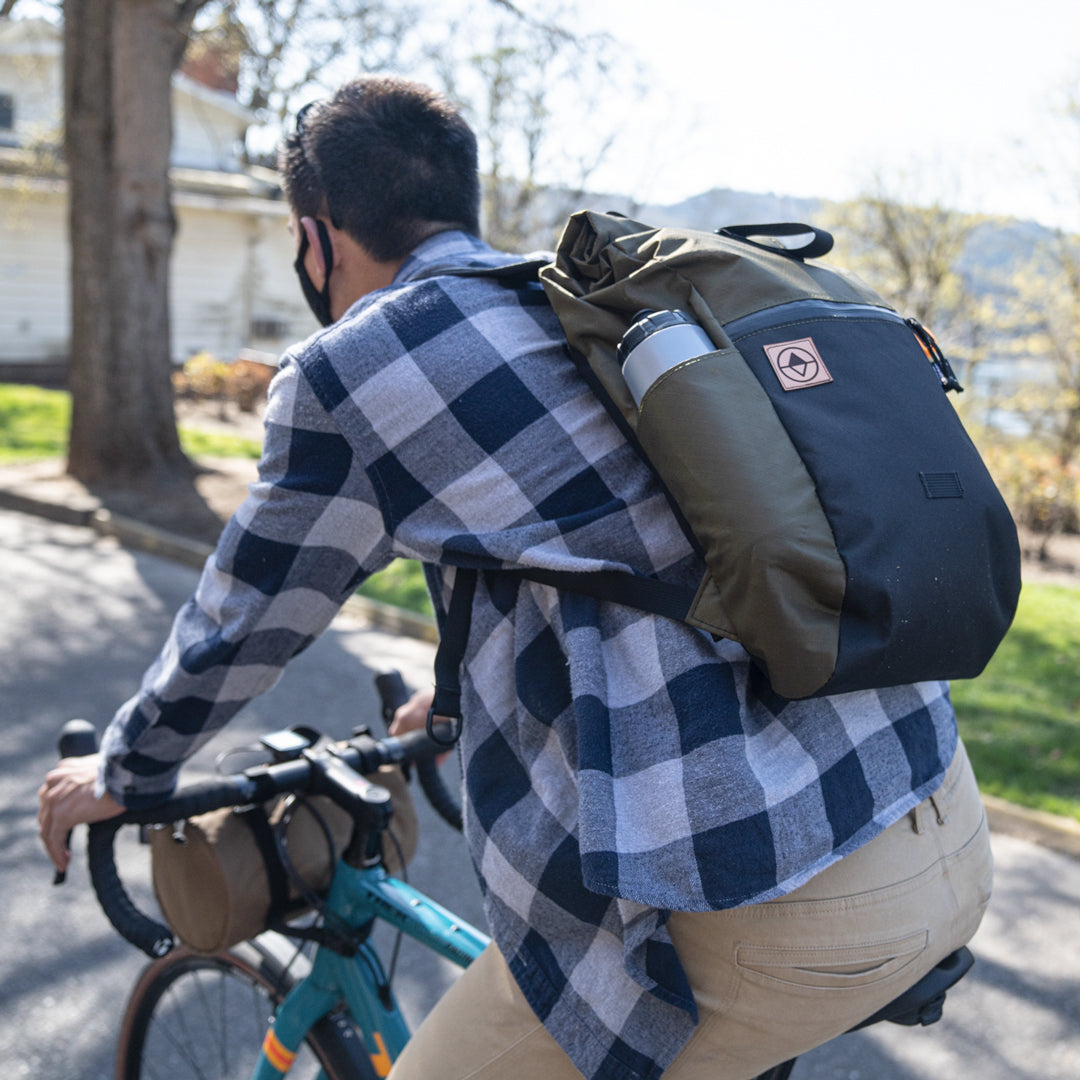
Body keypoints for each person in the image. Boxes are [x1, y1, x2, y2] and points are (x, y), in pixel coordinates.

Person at [39, 76, 993, 1080]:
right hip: (929, 808)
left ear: (315, 236)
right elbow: (636, 563)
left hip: (761, 895)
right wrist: (452, 705)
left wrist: (126, 771)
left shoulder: (353, 370)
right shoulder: (597, 311)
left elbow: (242, 621)